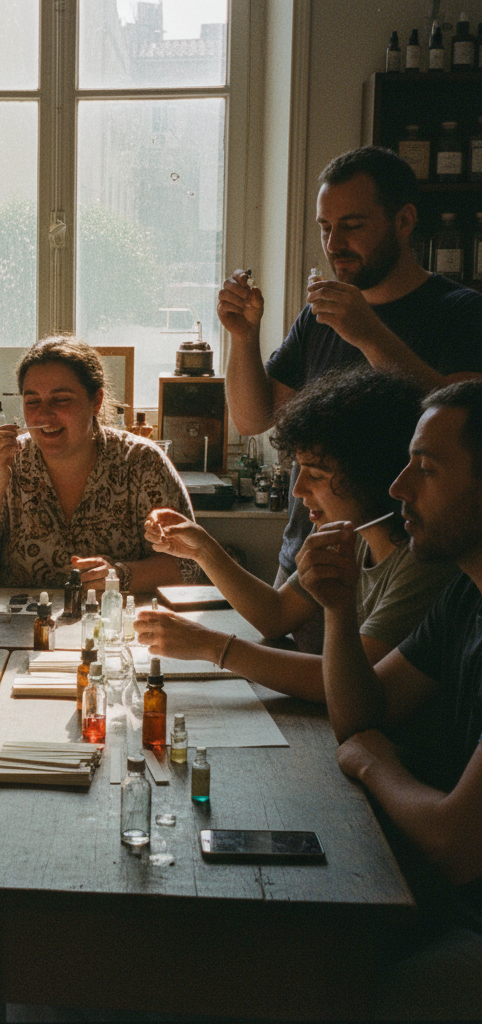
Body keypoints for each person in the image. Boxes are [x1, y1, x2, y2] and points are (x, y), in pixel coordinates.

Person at [219, 146, 482, 649]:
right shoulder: (318, 316)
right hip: (306, 560)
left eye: (353, 225)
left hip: (405, 567)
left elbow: (464, 419)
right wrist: (242, 338)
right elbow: (254, 419)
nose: (334, 243)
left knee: (360, 709)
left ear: (403, 221)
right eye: (324, 227)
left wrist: (368, 334)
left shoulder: (461, 313)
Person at [296, 379, 482, 1018]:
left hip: (465, 915)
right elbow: (363, 714)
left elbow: (458, 845)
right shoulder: (466, 593)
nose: (399, 487)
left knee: (322, 983)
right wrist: (339, 612)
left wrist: (376, 763)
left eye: (425, 469)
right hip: (439, 891)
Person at [135, 366, 457, 701]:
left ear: (372, 476)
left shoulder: (422, 563)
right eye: (299, 471)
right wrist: (201, 548)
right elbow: (275, 616)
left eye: (316, 475)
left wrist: (210, 645)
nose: (299, 490)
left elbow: (349, 687)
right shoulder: (348, 534)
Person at [0, 337, 199, 593]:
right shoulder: (2, 461)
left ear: (95, 401)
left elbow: (188, 564)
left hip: (115, 625)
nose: (43, 414)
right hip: (23, 630)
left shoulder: (143, 462)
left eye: (61, 399)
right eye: (32, 401)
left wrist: (120, 576)